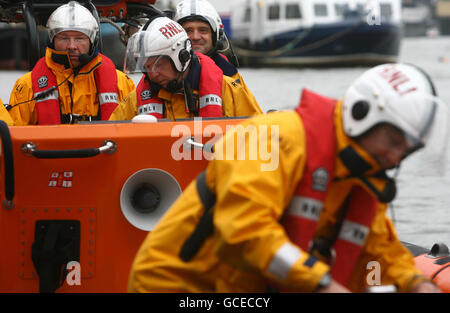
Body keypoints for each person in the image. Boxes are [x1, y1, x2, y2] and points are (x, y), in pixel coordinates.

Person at [128, 63, 445, 293]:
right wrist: (321, 283)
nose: (394, 157)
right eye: (392, 141)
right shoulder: (271, 138)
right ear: (361, 115)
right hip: (178, 285)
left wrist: (414, 282)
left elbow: (380, 246)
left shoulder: (361, 174)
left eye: (405, 149)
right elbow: (245, 230)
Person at [109, 16, 261, 121]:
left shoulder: (229, 91)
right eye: (147, 67)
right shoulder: (134, 101)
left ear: (181, 57)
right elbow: (111, 137)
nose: (153, 74)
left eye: (159, 65)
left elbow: (261, 140)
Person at [7, 1, 135, 125]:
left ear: (92, 41)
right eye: (64, 38)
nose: (72, 46)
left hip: (105, 146)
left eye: (79, 38)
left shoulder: (121, 83)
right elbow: (13, 136)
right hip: (50, 147)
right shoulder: (27, 86)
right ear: (52, 41)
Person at [173, 0, 256, 102]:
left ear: (216, 35)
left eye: (203, 30)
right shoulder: (160, 75)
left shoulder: (231, 76)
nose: (195, 37)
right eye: (188, 31)